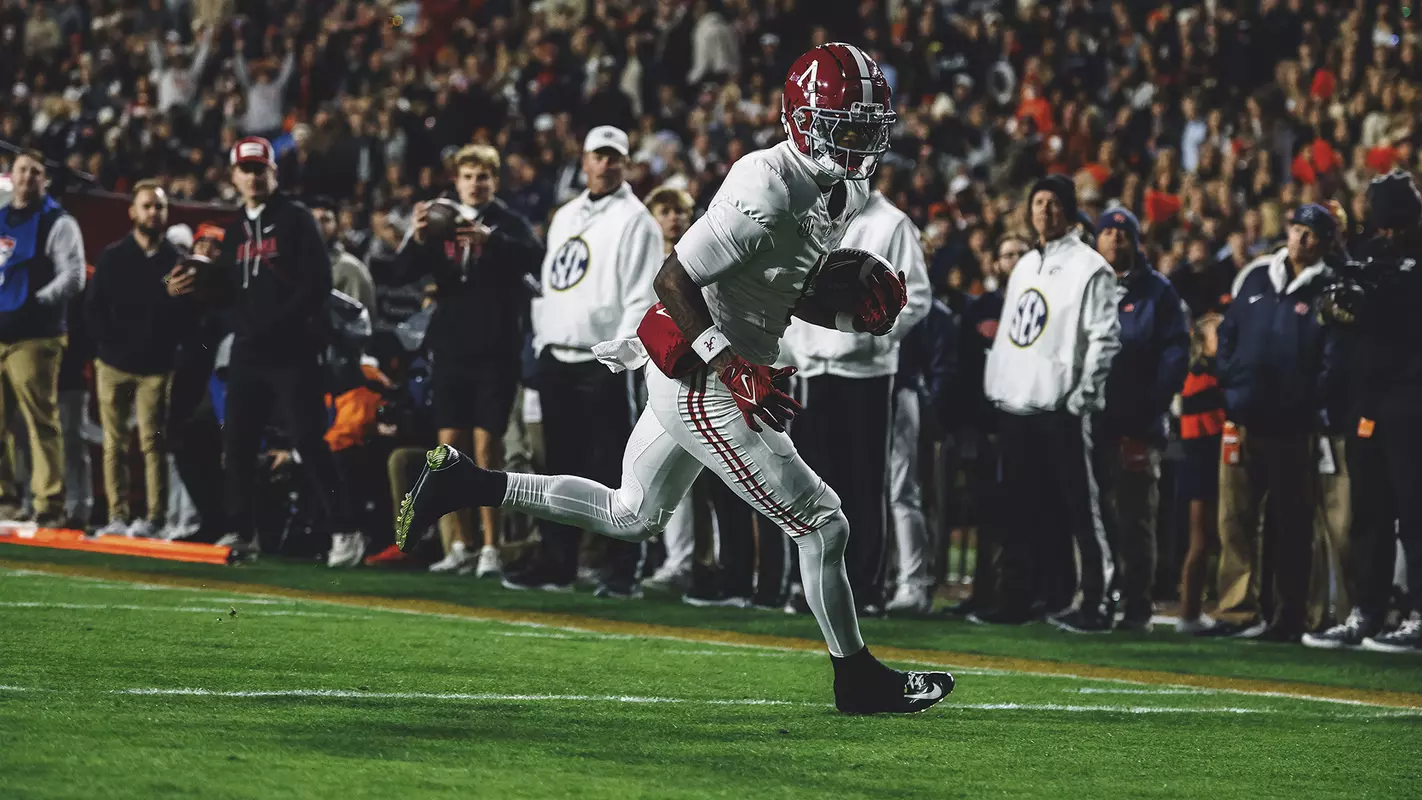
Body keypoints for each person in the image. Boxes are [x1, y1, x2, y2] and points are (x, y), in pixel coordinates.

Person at [396, 44, 954, 714]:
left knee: (630, 513)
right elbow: (675, 279)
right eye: (846, 122)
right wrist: (731, 364)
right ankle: (857, 679)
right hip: (704, 374)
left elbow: (778, 283)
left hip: (718, 364)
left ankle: (468, 481)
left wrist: (838, 309)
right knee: (823, 523)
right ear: (804, 118)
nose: (861, 138)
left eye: (868, 124)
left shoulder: (848, 185)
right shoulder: (766, 183)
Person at [498, 127, 661, 597]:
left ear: (625, 163)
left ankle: (621, 569)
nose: (605, 165)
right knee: (559, 466)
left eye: (614, 157)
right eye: (598, 156)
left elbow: (641, 295)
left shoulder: (638, 220)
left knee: (617, 468)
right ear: (584, 160)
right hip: (558, 358)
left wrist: (622, 352)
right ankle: (558, 561)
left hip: (603, 361)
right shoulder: (565, 215)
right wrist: (546, 338)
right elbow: (553, 283)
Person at [205, 137, 363, 567]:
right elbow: (226, 294)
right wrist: (192, 285)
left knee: (309, 442)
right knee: (236, 442)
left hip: (293, 350)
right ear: (234, 176)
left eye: (261, 170)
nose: (254, 178)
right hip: (249, 352)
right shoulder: (234, 229)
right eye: (246, 170)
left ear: (273, 173)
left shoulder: (295, 219)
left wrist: (271, 326)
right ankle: (243, 531)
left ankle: (346, 530)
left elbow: (316, 285)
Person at [975, 175, 1122, 633]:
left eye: (1054, 203)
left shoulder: (1091, 267)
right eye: (1038, 202)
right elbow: (1012, 336)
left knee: (1081, 509)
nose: (1045, 210)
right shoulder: (1025, 266)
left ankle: (1096, 601)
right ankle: (1021, 598)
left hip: (1062, 409)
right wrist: (998, 388)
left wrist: (1083, 398)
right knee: (1020, 510)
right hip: (1017, 405)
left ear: (1071, 209)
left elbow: (1105, 339)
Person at [779, 188, 932, 614]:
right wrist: (794, 349)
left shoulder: (892, 222)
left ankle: (866, 588)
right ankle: (808, 585)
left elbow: (916, 295)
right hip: (811, 370)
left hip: (867, 374)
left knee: (865, 484)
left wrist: (876, 340)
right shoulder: (808, 215)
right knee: (809, 485)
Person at [398, 145, 543, 578]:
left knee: (486, 448)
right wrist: (417, 236)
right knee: (447, 449)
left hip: (495, 352)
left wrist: (490, 241)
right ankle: (459, 543)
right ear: (456, 181)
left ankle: (491, 546)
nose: (475, 183)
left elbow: (536, 258)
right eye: (468, 176)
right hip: (451, 350)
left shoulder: (508, 222)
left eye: (483, 176)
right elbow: (400, 271)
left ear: (494, 181)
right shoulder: (440, 222)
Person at [1209, 203, 1341, 641]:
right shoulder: (1256, 275)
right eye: (1296, 229)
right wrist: (1231, 384)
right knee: (1234, 520)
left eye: (1311, 233)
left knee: (1291, 524)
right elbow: (1227, 334)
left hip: (1292, 426)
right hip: (1244, 417)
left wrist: (1306, 401)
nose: (1300, 238)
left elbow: (1331, 358)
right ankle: (1237, 611)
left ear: (1324, 241)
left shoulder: (1329, 287)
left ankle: (1288, 616)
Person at [1306, 171, 1422, 653]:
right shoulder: (1374, 255)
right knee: (1369, 512)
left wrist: (1366, 302)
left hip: (1412, 398)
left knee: (1415, 514)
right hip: (1368, 399)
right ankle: (1367, 611)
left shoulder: (1409, 261)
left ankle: (1416, 614)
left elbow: (1389, 308)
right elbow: (1338, 303)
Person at [1092, 208, 1190, 631]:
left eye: (1123, 233)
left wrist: (1148, 410)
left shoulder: (1158, 293)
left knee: (1136, 519)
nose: (1115, 239)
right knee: (1092, 516)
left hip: (1136, 425)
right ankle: (1094, 597)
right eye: (1108, 232)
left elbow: (1174, 357)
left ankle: (1136, 606)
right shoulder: (1086, 283)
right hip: (1090, 422)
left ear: (1135, 242)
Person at [86, 180, 187, 538]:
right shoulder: (113, 256)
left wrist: (172, 300)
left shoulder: (177, 261)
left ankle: (155, 519)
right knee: (114, 442)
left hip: (156, 367)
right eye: (147, 206)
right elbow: (94, 307)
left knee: (152, 443)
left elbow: (188, 318)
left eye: (159, 207)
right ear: (133, 211)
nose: (153, 213)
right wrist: (107, 346)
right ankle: (117, 516)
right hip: (114, 362)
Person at [0, 150, 85, 527]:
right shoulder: (1, 218)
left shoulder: (59, 222)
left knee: (39, 420)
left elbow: (74, 275)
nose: (28, 177)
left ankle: (49, 504)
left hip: (35, 337)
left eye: (36, 171)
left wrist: (37, 303)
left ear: (44, 180)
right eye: (22, 170)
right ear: (10, 175)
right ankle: (5, 499)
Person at [948, 234, 1028, 617]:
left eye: (1020, 253)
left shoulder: (1037, 306)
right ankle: (983, 594)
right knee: (983, 512)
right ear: (996, 262)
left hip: (1023, 423)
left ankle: (1014, 596)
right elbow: (962, 368)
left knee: (1020, 512)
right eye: (1007, 253)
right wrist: (966, 422)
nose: (1013, 260)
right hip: (981, 426)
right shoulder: (981, 308)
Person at [1175, 312, 1227, 634]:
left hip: (1204, 463)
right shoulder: (1200, 376)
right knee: (1200, 542)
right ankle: (1189, 614)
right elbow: (1204, 429)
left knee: (1210, 542)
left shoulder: (1211, 373)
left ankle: (1195, 612)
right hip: (1202, 465)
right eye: (1219, 333)